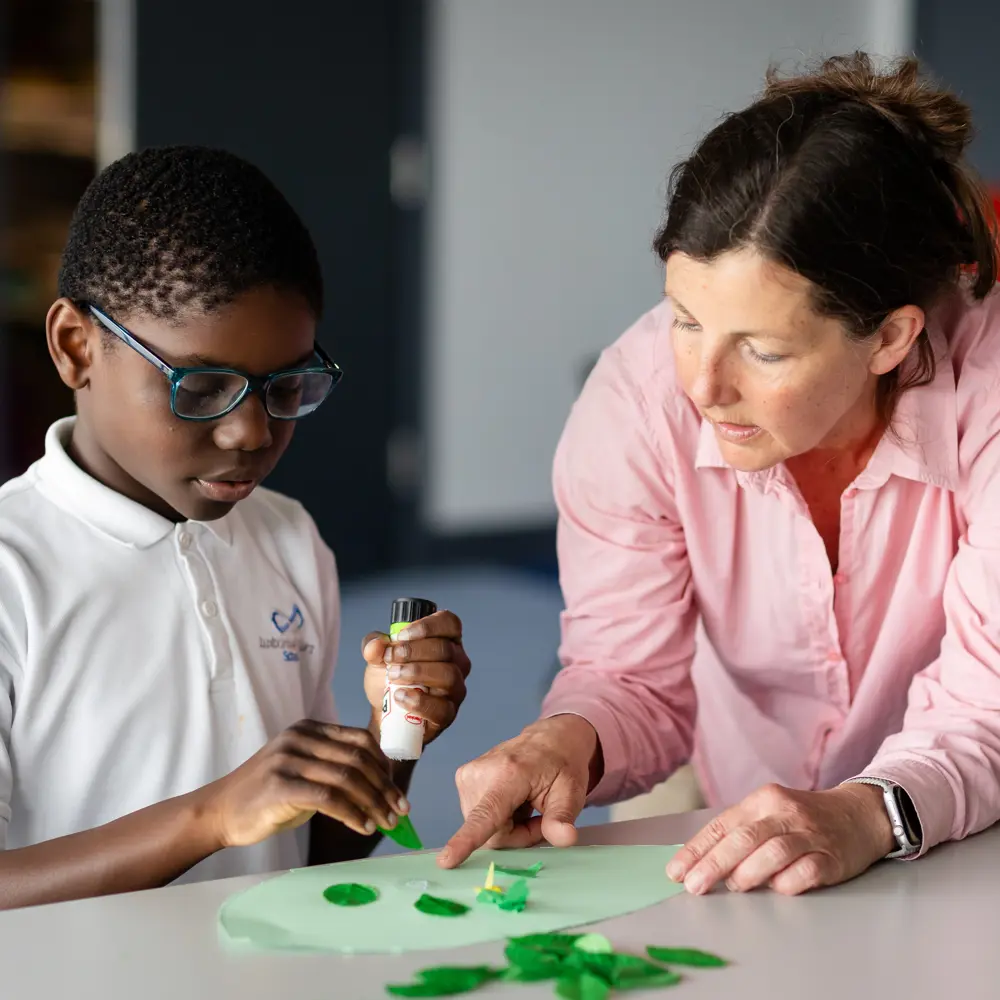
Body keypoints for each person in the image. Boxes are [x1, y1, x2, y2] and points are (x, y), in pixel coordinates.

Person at [439, 52, 1000, 896]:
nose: (702, 387)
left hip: (966, 818)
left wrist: (866, 811)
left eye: (764, 351)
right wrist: (569, 736)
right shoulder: (636, 398)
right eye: (687, 320)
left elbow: (987, 708)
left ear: (889, 339)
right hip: (731, 778)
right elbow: (630, 674)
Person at [0, 146, 471, 910]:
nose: (250, 432)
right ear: (76, 347)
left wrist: (396, 738)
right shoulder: (14, 572)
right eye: (203, 385)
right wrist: (211, 815)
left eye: (286, 386)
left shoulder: (286, 538)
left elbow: (310, 850)